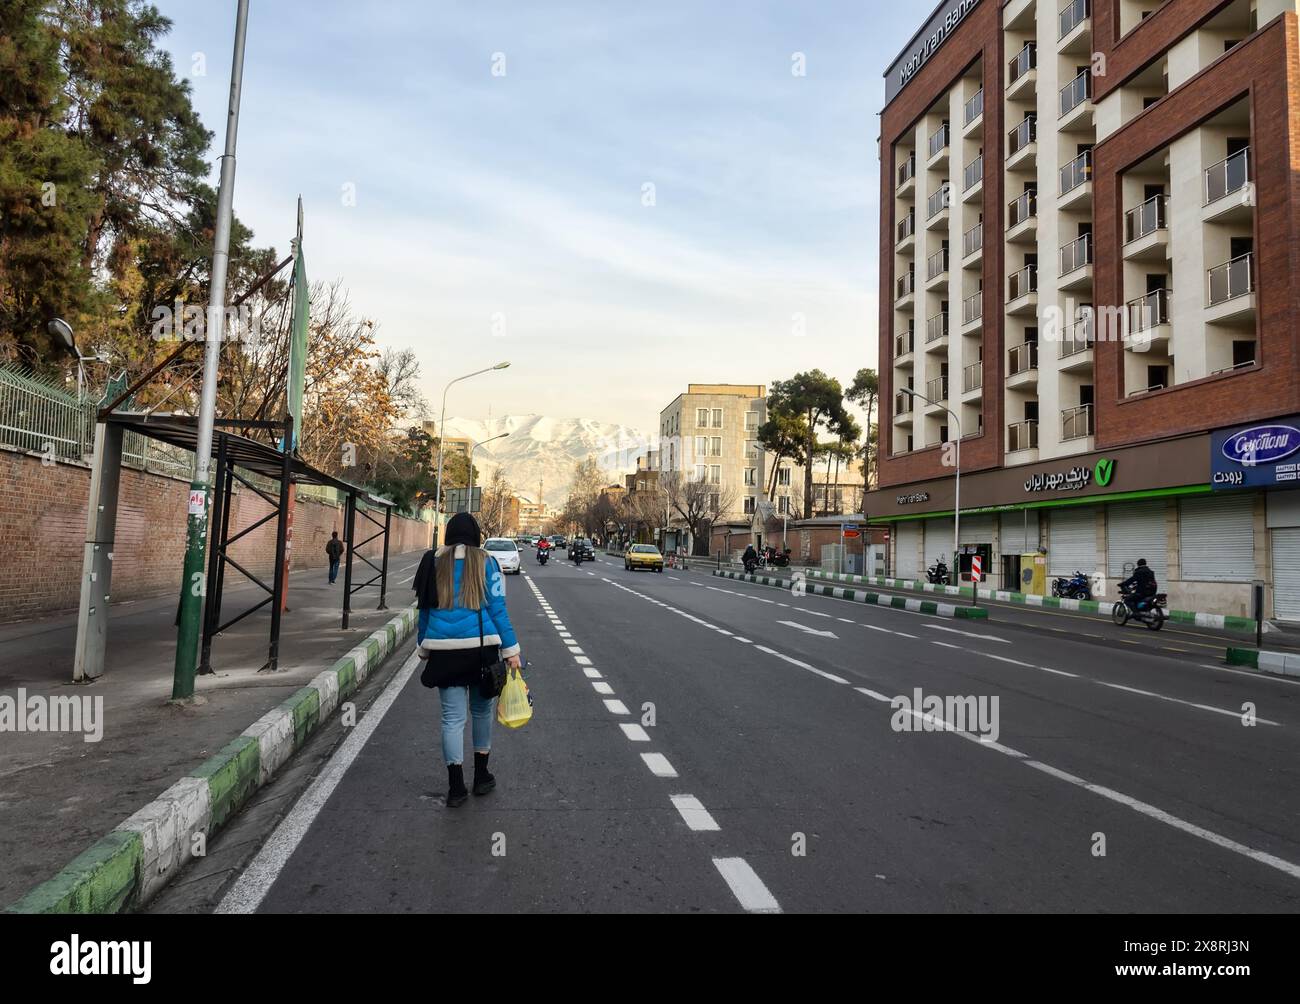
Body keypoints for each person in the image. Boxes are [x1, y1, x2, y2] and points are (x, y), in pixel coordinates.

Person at [413, 513, 522, 808]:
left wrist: (423, 646)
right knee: (482, 713)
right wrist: (511, 650)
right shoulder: (489, 563)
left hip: (444, 654)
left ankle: (456, 787)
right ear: (476, 535)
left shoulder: (432, 561)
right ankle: (482, 777)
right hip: (481, 652)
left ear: (448, 534)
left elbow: (424, 609)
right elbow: (499, 610)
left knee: (452, 719)